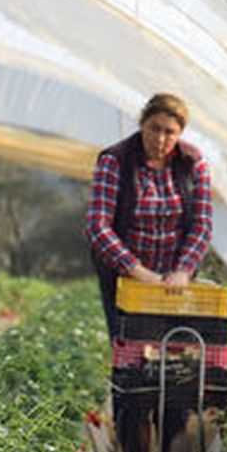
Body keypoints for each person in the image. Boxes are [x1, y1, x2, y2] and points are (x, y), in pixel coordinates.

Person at [84, 92, 213, 341]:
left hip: (174, 282)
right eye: (154, 128)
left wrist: (183, 271)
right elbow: (97, 227)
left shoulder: (193, 163)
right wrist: (138, 271)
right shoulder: (116, 161)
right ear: (142, 124)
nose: (161, 139)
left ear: (180, 134)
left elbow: (202, 225)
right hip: (127, 279)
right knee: (132, 352)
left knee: (176, 351)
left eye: (170, 132)